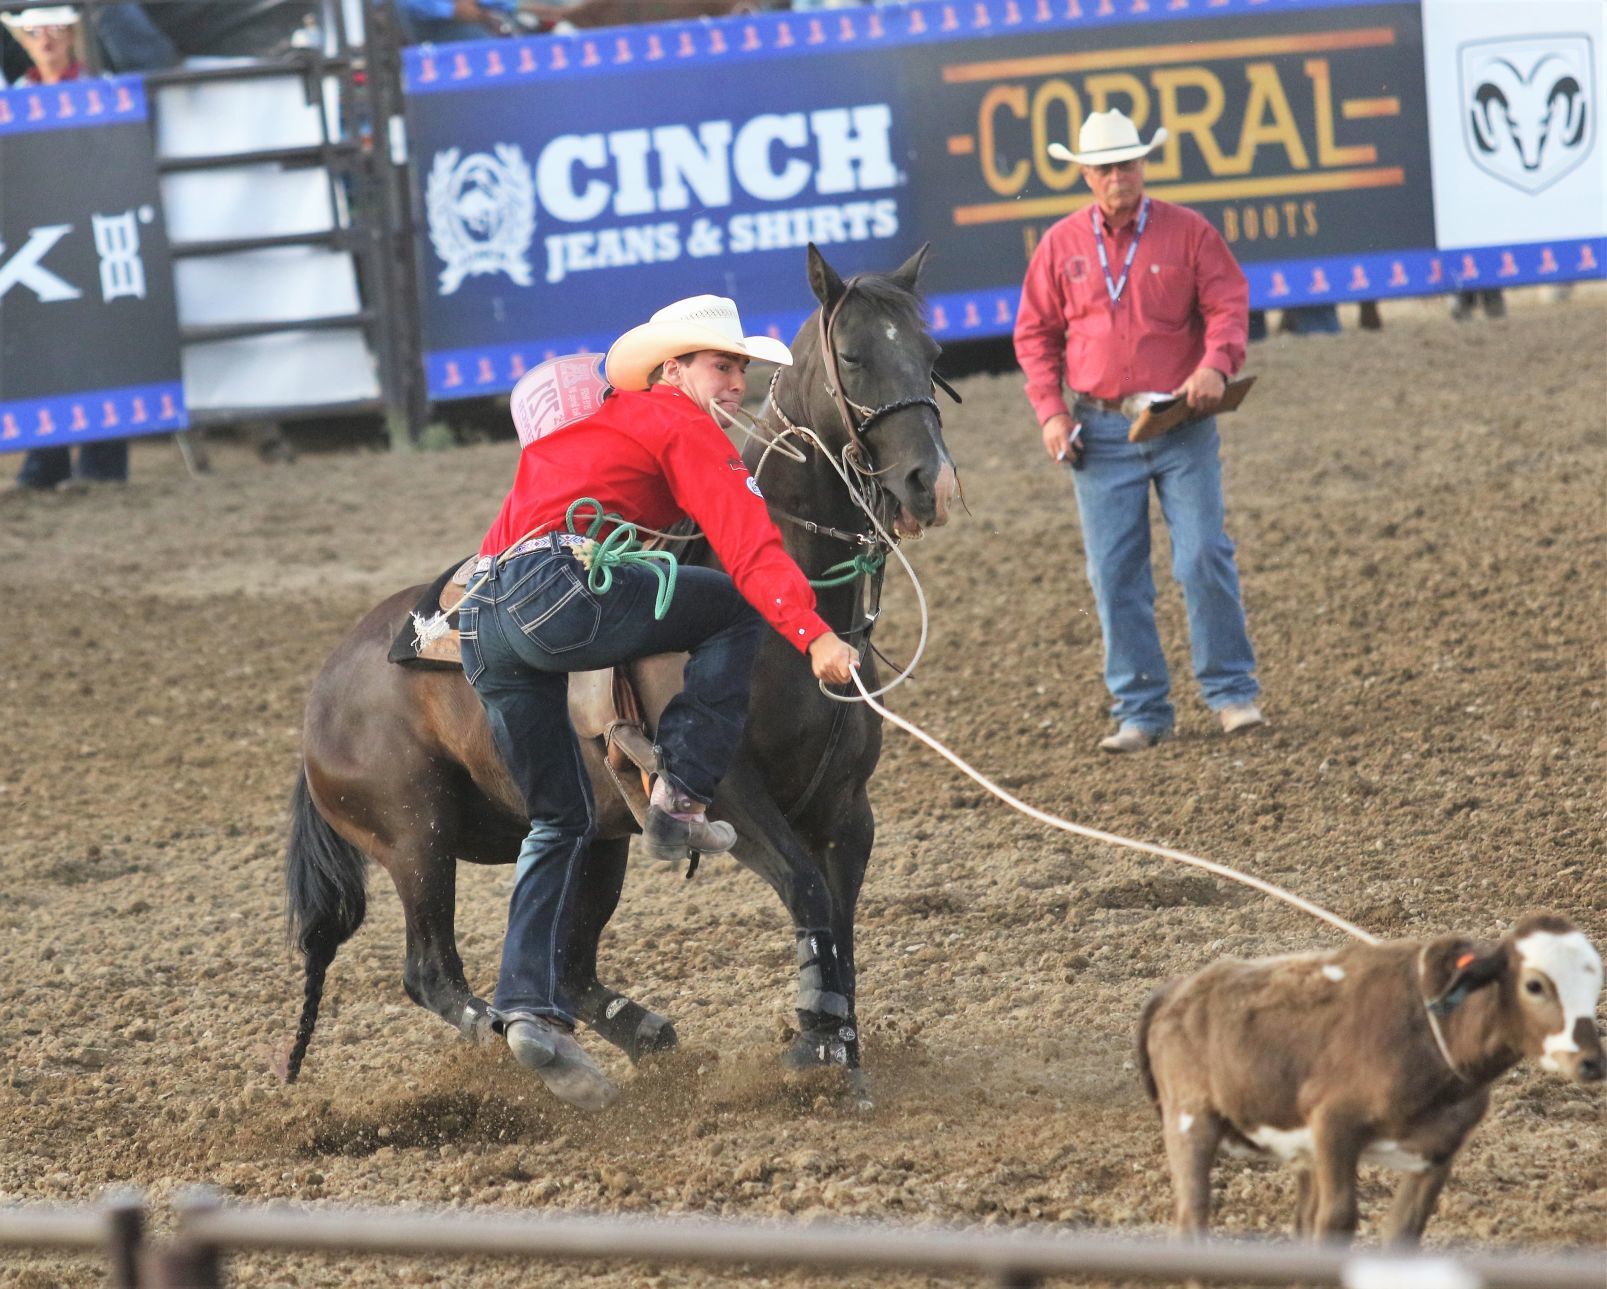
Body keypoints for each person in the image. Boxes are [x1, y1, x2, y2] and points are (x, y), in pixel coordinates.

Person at [459, 295, 860, 1109]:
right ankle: (679, 790)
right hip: (552, 593)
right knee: (731, 605)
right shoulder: (678, 422)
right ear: (670, 369)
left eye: (742, 367)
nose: (737, 381)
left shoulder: (593, 430)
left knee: (559, 820)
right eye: (722, 364)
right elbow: (749, 549)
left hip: (484, 619)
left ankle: (529, 1006)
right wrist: (814, 634)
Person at [1013, 109, 1263, 753]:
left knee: (1203, 553)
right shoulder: (1060, 246)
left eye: (1127, 163)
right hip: (1097, 429)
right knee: (1114, 572)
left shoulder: (1190, 232)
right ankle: (1142, 711)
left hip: (1182, 418)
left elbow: (1228, 304)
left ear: (1142, 166)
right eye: (1105, 167)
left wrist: (1215, 364)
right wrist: (1051, 413)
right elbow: (1035, 336)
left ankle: (1232, 693)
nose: (1118, 175)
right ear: (1087, 175)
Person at [4, 5, 133, 493]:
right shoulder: (17, 96)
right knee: (47, 347)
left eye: (55, 26)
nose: (46, 38)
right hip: (38, 235)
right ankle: (47, 462)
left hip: (92, 227)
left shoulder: (99, 86)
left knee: (105, 341)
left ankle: (102, 463)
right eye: (35, 30)